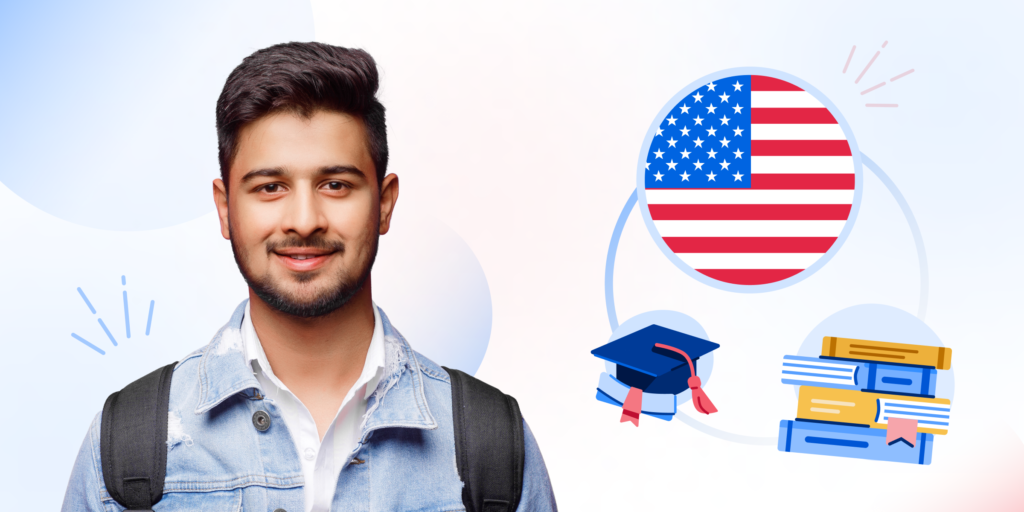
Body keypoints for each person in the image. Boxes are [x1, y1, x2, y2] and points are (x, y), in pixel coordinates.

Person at [61, 42, 556, 512]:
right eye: (270, 186)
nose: (304, 218)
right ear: (225, 208)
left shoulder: (492, 445)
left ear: (384, 204)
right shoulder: (129, 443)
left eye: (335, 184)